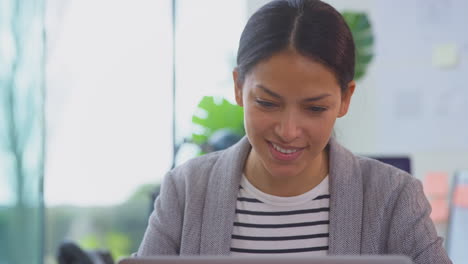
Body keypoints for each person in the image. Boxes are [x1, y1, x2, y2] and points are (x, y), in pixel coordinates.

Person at [136, 0, 452, 263]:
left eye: (314, 109)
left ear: (345, 99)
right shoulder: (186, 191)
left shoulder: (393, 197)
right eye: (267, 103)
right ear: (238, 88)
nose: (288, 132)